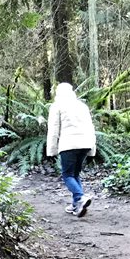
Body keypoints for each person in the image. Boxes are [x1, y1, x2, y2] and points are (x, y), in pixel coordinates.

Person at [46, 83, 97, 218]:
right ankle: (76, 205)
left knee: (67, 175)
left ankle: (80, 198)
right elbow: (91, 128)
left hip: (69, 145)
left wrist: (51, 151)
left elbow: (53, 130)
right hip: (85, 144)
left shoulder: (57, 106)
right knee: (75, 174)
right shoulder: (82, 106)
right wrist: (92, 150)